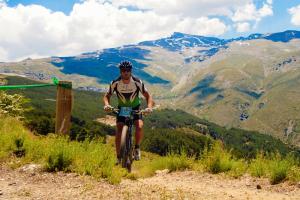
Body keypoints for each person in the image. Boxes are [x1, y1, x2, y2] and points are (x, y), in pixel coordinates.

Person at [103, 61, 154, 163]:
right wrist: (107, 104)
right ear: (120, 71)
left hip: (135, 107)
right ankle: (118, 157)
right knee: (119, 130)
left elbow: (148, 96)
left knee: (139, 126)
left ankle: (137, 148)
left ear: (131, 71)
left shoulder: (137, 82)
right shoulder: (115, 83)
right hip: (122, 109)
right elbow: (106, 96)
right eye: (123, 70)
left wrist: (149, 107)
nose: (125, 72)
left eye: (128, 70)